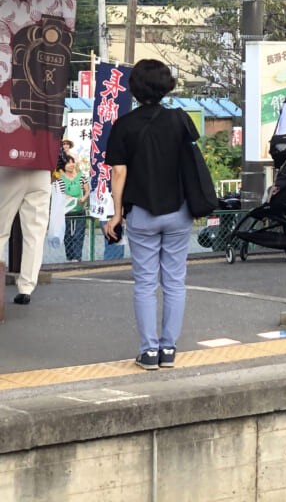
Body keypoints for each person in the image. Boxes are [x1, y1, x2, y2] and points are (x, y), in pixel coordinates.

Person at [103, 59, 195, 370]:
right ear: (166, 86)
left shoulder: (124, 125)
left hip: (142, 213)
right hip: (179, 212)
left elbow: (118, 172)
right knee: (174, 281)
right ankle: (169, 349)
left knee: (144, 283)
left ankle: (149, 352)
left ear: (135, 88)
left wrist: (116, 215)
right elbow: (190, 163)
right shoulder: (180, 120)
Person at [0, 167, 50, 305]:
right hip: (41, 171)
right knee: (35, 234)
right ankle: (26, 289)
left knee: (1, 230)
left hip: (11, 167)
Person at [57, 154, 89, 261]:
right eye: (68, 163)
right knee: (67, 236)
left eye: (72, 162)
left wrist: (84, 198)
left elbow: (87, 190)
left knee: (78, 235)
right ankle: (70, 258)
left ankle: (77, 258)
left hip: (80, 210)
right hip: (66, 212)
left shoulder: (81, 176)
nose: (71, 165)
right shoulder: (60, 179)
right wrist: (67, 197)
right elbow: (59, 194)